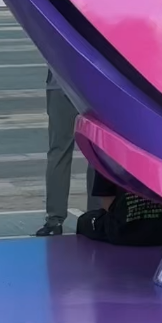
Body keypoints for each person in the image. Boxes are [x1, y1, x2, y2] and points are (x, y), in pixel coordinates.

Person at [35, 68, 98, 236]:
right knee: (96, 154)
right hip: (92, 84)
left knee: (59, 152)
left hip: (60, 81)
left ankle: (54, 220)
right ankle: (96, 216)